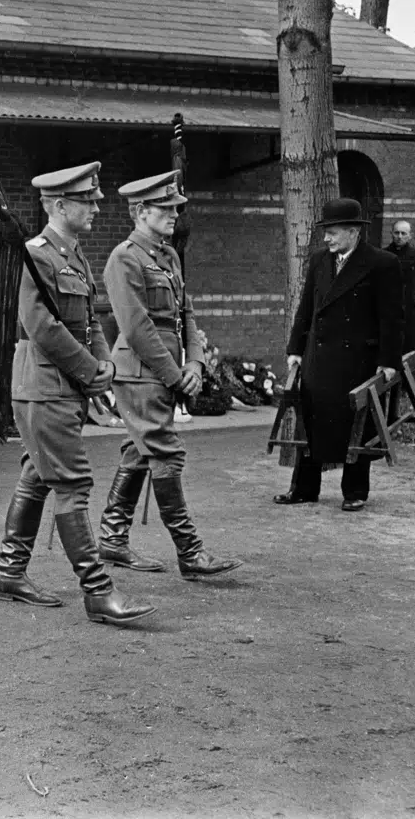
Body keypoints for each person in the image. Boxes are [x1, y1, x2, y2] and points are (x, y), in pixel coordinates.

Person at [0, 161, 155, 625]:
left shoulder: (74, 255)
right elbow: (41, 327)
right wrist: (87, 370)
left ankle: (9, 573)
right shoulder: (35, 255)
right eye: (87, 201)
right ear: (59, 205)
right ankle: (98, 592)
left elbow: (88, 320)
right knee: (73, 484)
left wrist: (105, 365)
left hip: (62, 385)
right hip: (44, 387)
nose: (97, 208)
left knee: (38, 474)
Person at [96, 171, 243, 578]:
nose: (175, 214)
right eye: (166, 208)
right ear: (141, 211)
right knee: (165, 451)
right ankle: (190, 553)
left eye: (176, 207)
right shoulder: (124, 257)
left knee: (139, 449)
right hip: (140, 370)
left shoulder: (169, 256)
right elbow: (136, 327)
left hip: (165, 369)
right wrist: (175, 375)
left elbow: (185, 314)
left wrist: (195, 364)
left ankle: (112, 539)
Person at [277, 198, 402, 512]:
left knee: (356, 422)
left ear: (353, 231)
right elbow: (306, 307)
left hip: (357, 360)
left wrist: (388, 361)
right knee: (310, 421)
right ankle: (303, 488)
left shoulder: (382, 263)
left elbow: (392, 317)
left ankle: (355, 491)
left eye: (332, 232)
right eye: (326, 232)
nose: (326, 238)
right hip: (318, 357)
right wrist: (295, 349)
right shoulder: (319, 260)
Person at [385, 220, 415, 372]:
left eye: (403, 233)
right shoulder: (383, 256)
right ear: (391, 234)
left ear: (410, 236)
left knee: (410, 348)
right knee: (389, 347)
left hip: (410, 312)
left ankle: (408, 382)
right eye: (396, 233)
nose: (399, 236)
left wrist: (412, 297)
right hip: (388, 311)